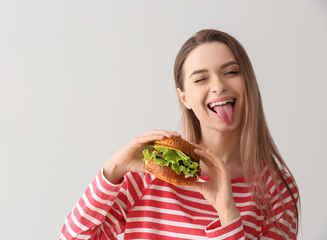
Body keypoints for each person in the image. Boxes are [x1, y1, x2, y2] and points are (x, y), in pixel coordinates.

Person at [59, 29, 300, 239]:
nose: (218, 85)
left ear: (248, 82)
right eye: (201, 79)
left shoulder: (277, 189)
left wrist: (227, 212)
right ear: (184, 98)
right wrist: (112, 171)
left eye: (230, 72)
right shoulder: (151, 170)